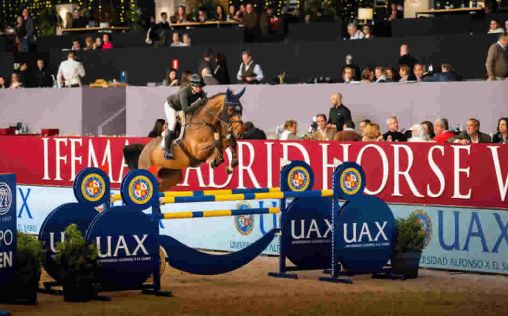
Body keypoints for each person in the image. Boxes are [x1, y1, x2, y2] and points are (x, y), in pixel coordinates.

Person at [163, 74, 207, 159]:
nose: (200, 88)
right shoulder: (184, 92)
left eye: (201, 86)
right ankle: (167, 151)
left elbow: (205, 101)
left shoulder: (200, 91)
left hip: (182, 107)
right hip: (171, 106)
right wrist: (199, 103)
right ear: (192, 86)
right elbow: (186, 109)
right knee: (173, 123)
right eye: (198, 86)